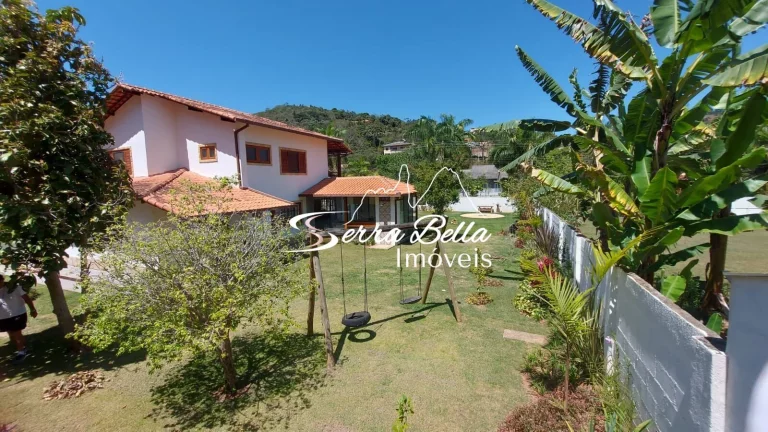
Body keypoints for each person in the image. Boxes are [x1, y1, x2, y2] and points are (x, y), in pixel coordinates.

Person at [0, 274, 37, 363]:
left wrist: (32, 309)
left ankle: (21, 352)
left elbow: (27, 298)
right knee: (12, 334)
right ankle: (24, 348)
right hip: (3, 317)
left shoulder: (14, 287)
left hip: (17, 314)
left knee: (17, 334)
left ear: (2, 280)